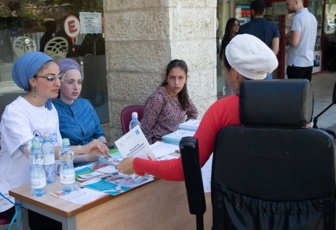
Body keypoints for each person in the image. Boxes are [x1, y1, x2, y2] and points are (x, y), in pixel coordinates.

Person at [116, 34, 278, 182]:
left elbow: (184, 168)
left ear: (234, 73)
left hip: (238, 203)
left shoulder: (221, 109)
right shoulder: (287, 105)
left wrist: (138, 164)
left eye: (224, 69)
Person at [0, 52, 108, 229]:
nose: (58, 83)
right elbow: (35, 153)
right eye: (51, 78)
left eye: (59, 78)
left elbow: (60, 150)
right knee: (65, 223)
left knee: (92, 211)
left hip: (48, 188)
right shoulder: (15, 112)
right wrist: (83, 149)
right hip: (15, 195)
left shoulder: (49, 109)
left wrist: (89, 159)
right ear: (32, 81)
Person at [53, 58, 107, 163]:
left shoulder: (85, 105)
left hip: (98, 160)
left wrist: (102, 146)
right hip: (70, 166)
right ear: (59, 83)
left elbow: (99, 132)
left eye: (79, 82)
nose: (76, 87)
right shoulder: (52, 112)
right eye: (70, 82)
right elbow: (57, 153)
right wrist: (89, 157)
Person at [141, 59, 198, 144]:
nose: (176, 83)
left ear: (186, 79)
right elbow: (145, 130)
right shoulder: (158, 98)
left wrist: (184, 130)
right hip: (161, 145)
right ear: (167, 78)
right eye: (172, 78)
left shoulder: (182, 95)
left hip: (177, 141)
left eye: (180, 78)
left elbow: (193, 113)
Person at [238, 0, 280, 79]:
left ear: (252, 11)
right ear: (264, 11)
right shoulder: (273, 26)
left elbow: (240, 50)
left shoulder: (243, 29)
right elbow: (276, 49)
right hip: (266, 68)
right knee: (266, 90)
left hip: (249, 69)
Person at [285, 0, 317, 82]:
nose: (287, 7)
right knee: (305, 91)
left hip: (296, 63)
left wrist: (285, 36)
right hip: (308, 62)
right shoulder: (312, 17)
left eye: (288, 4)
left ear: (296, 2)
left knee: (294, 92)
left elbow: (294, 42)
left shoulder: (297, 18)